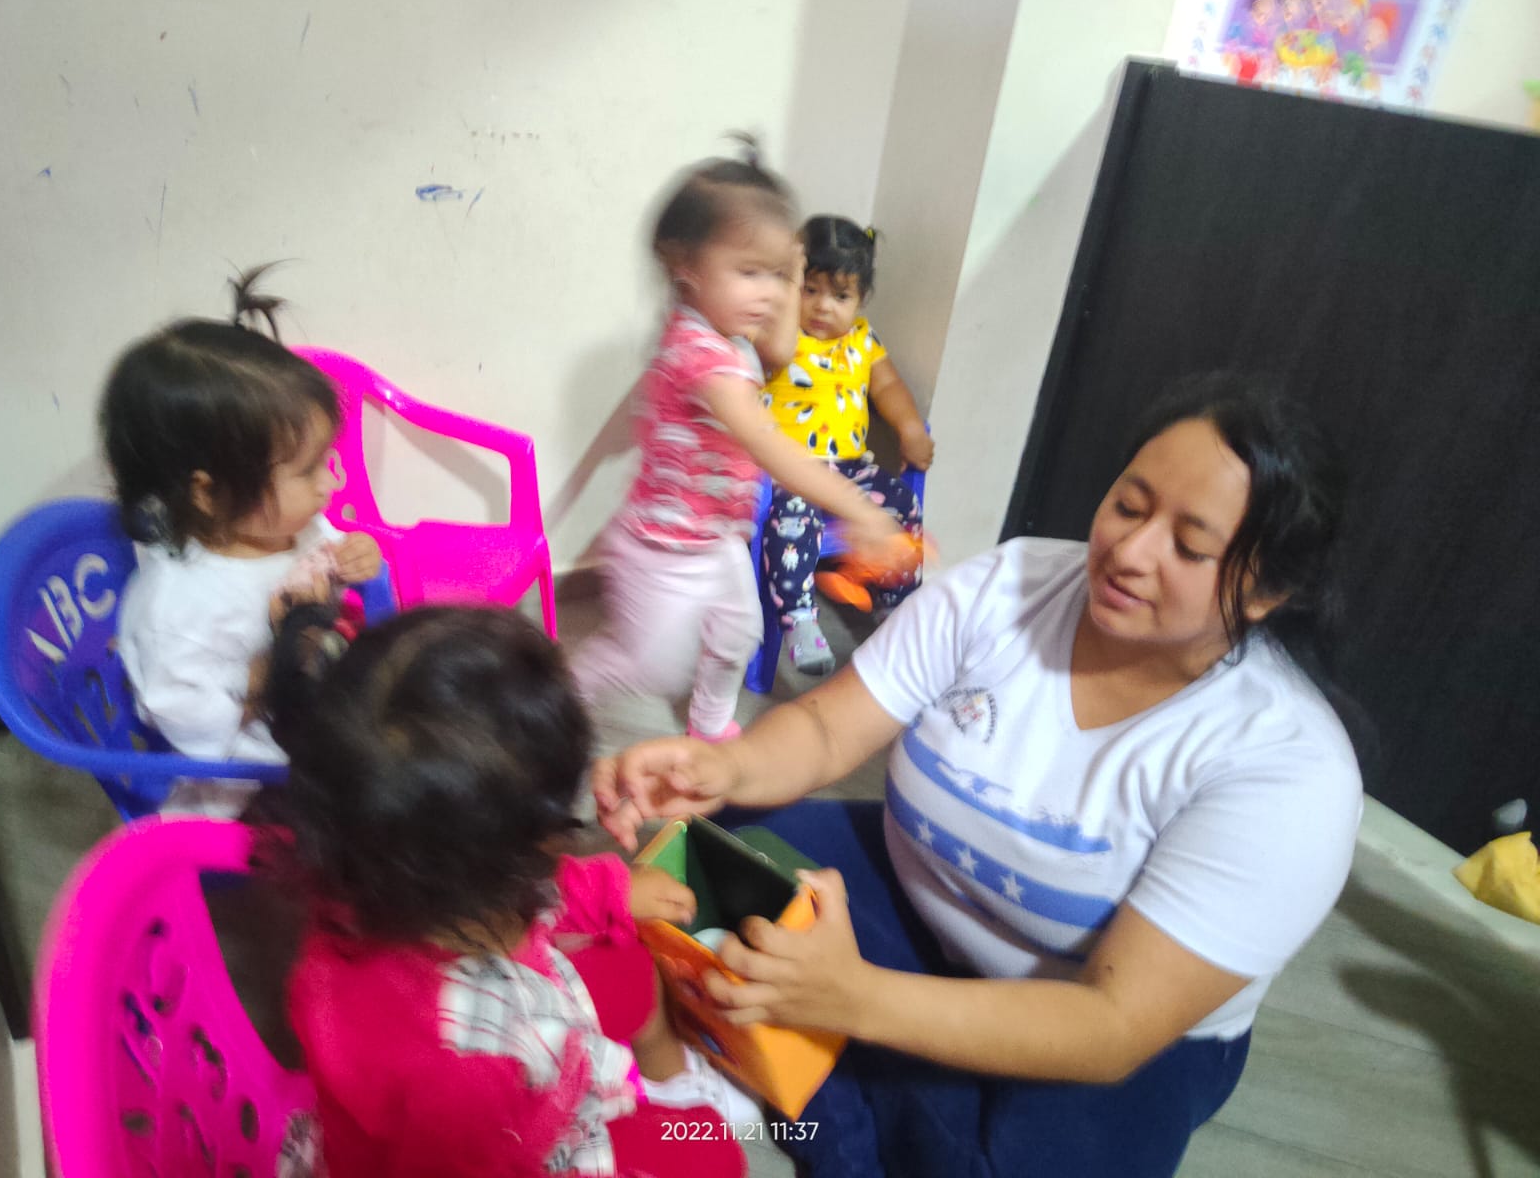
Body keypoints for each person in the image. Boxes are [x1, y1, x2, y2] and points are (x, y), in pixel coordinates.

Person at [594, 376, 1363, 1176]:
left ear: (1268, 591)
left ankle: (831, 1081)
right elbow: (827, 728)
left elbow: (1112, 1024)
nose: (1131, 553)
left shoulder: (1287, 770)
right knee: (714, 861)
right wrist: (723, 766)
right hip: (919, 886)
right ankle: (855, 1098)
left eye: (1191, 548)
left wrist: (853, 998)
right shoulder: (1009, 585)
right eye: (1129, 506)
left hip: (1090, 1011)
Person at [250, 604, 753, 1178]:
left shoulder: (370, 868)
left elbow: (514, 888)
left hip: (495, 1036)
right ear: (528, 851)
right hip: (516, 1139)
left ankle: (669, 1083)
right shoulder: (462, 1084)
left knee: (627, 965)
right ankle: (671, 1105)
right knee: (718, 1155)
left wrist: (612, 888)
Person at [570, 141, 906, 742]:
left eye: (777, 275)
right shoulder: (700, 353)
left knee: (737, 634)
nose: (771, 295)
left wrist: (789, 272)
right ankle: (563, 695)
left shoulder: (726, 328)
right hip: (666, 547)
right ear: (686, 266)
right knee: (652, 671)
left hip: (718, 535)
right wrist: (861, 511)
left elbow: (781, 349)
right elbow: (768, 444)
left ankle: (708, 725)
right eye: (750, 273)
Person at [101, 267, 382, 811]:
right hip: (253, 778)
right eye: (308, 471)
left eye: (326, 461)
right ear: (208, 494)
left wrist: (354, 558)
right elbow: (186, 724)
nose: (330, 484)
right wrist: (270, 671)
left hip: (319, 703)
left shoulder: (290, 525)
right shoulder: (178, 607)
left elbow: (329, 557)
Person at [754, 215, 931, 676]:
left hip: (849, 467)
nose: (822, 306)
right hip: (788, 472)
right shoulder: (781, 336)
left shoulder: (863, 341)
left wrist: (910, 428)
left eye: (840, 296)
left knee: (903, 502)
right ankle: (799, 619)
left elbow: (888, 387)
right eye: (809, 289)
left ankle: (895, 604)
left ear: (861, 299)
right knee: (793, 518)